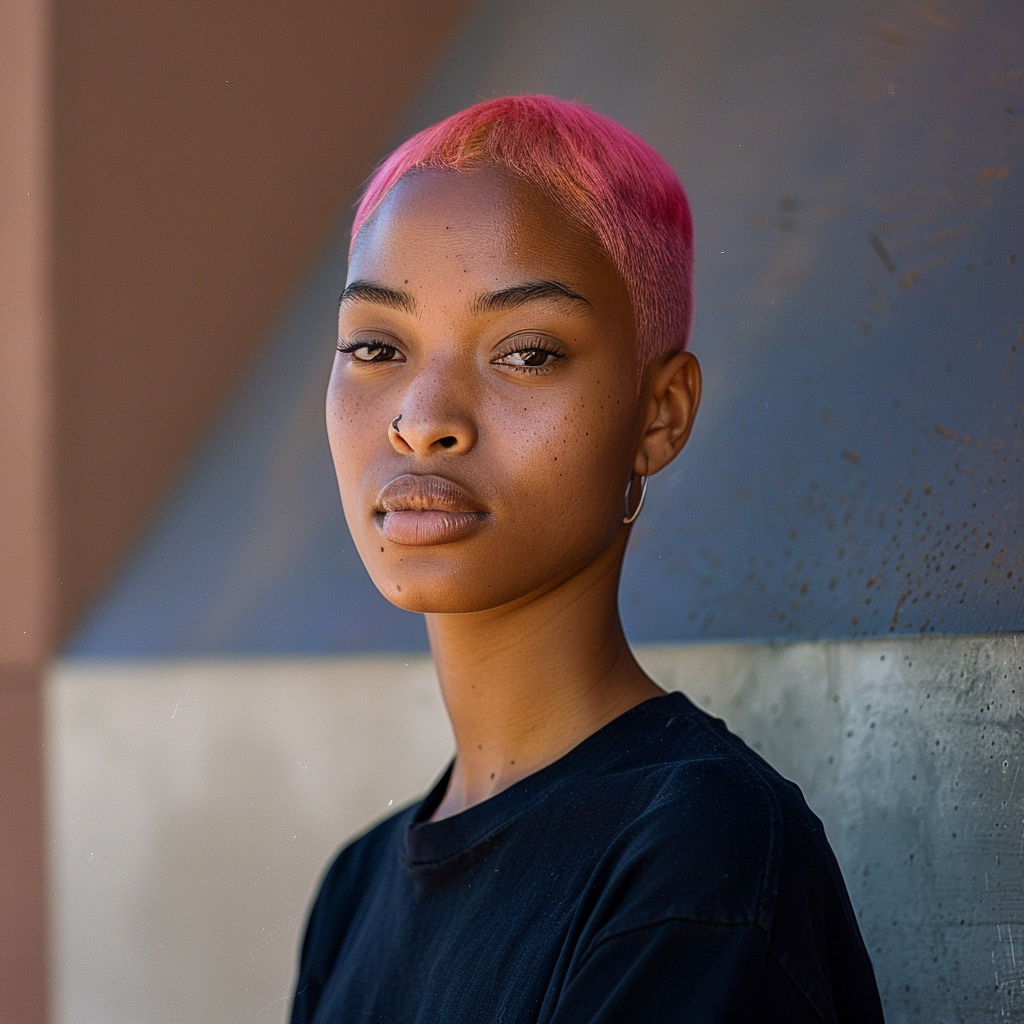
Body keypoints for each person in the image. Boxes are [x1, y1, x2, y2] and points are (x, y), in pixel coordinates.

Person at [290, 95, 884, 1023]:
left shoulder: (695, 856)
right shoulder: (352, 893)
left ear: (660, 414)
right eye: (376, 346)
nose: (422, 419)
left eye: (525, 353)